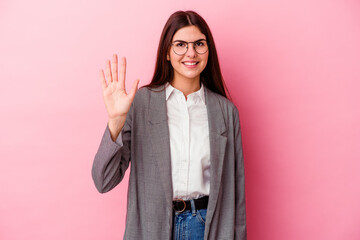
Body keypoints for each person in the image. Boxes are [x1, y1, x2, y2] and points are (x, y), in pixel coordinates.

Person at [92, 10, 247, 240]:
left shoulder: (226, 112)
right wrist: (115, 121)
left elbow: (237, 196)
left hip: (206, 228)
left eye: (199, 44)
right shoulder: (141, 103)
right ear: (167, 51)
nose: (191, 53)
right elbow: (103, 180)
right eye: (181, 44)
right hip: (152, 228)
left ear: (208, 50)